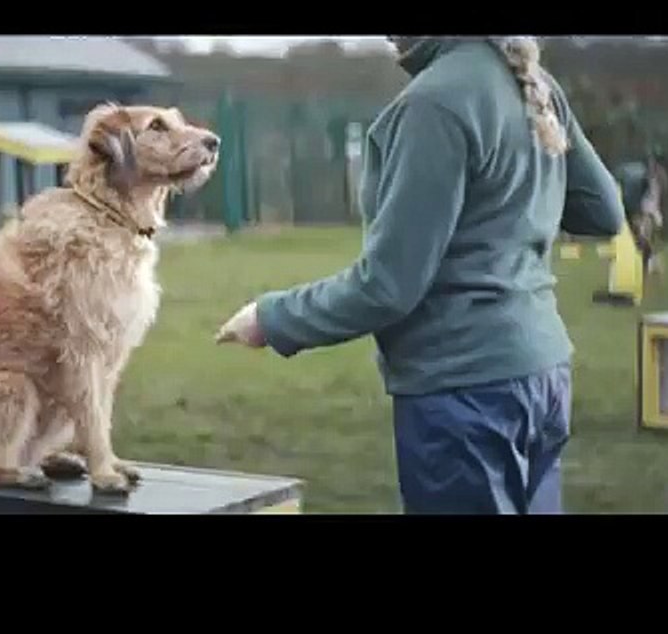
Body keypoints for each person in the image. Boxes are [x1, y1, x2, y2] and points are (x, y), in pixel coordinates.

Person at [215, 37, 625, 514]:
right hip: (543, 378)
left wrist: (271, 318)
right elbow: (604, 211)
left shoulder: (434, 103)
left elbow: (387, 286)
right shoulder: (533, 83)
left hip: (466, 394)